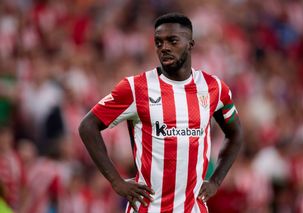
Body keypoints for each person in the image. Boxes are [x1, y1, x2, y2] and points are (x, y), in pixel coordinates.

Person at [78, 13, 243, 213]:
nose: (164, 47)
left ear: (190, 44)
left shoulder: (213, 88)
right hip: (148, 208)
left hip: (193, 208)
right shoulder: (135, 88)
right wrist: (116, 181)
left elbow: (235, 134)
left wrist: (216, 181)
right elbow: (88, 126)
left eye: (172, 41)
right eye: (158, 42)